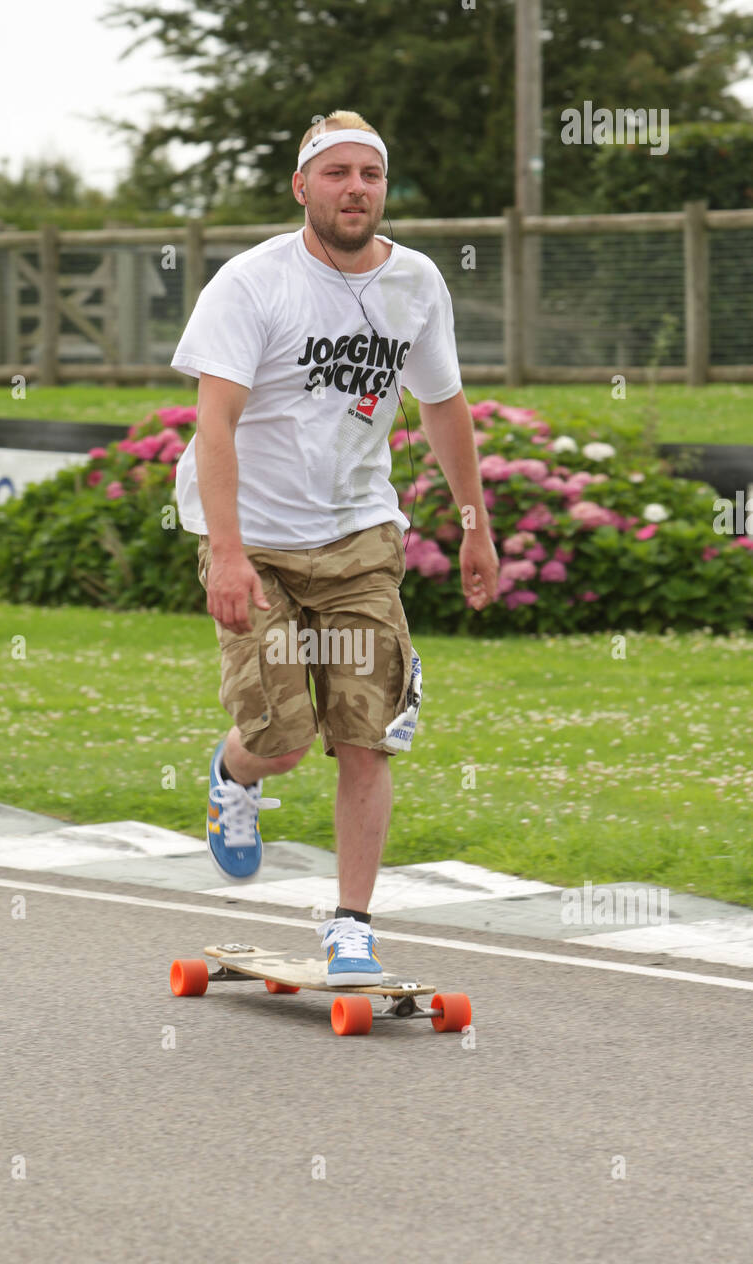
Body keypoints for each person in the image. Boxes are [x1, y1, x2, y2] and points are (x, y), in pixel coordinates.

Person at [170, 110, 498, 984]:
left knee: (368, 733)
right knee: (280, 737)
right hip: (257, 539)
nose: (356, 188)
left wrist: (475, 525)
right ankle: (237, 772)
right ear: (303, 186)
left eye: (372, 175)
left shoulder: (417, 283)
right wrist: (230, 554)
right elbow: (216, 423)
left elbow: (443, 406)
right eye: (338, 173)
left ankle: (351, 923)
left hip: (357, 534)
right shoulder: (251, 283)